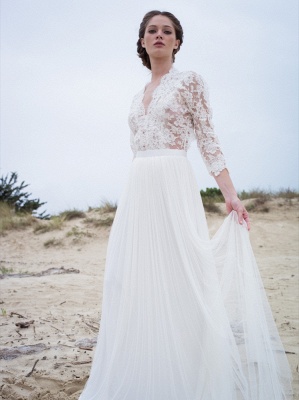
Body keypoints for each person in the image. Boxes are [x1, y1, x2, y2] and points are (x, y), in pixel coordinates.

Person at [79, 10, 293, 400]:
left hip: (173, 182)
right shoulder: (136, 93)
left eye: (168, 31)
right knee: (128, 277)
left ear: (178, 42)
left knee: (181, 274)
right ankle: (147, 368)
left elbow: (208, 138)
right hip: (137, 188)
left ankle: (188, 376)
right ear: (142, 41)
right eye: (151, 31)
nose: (159, 35)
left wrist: (230, 193)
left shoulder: (190, 82)